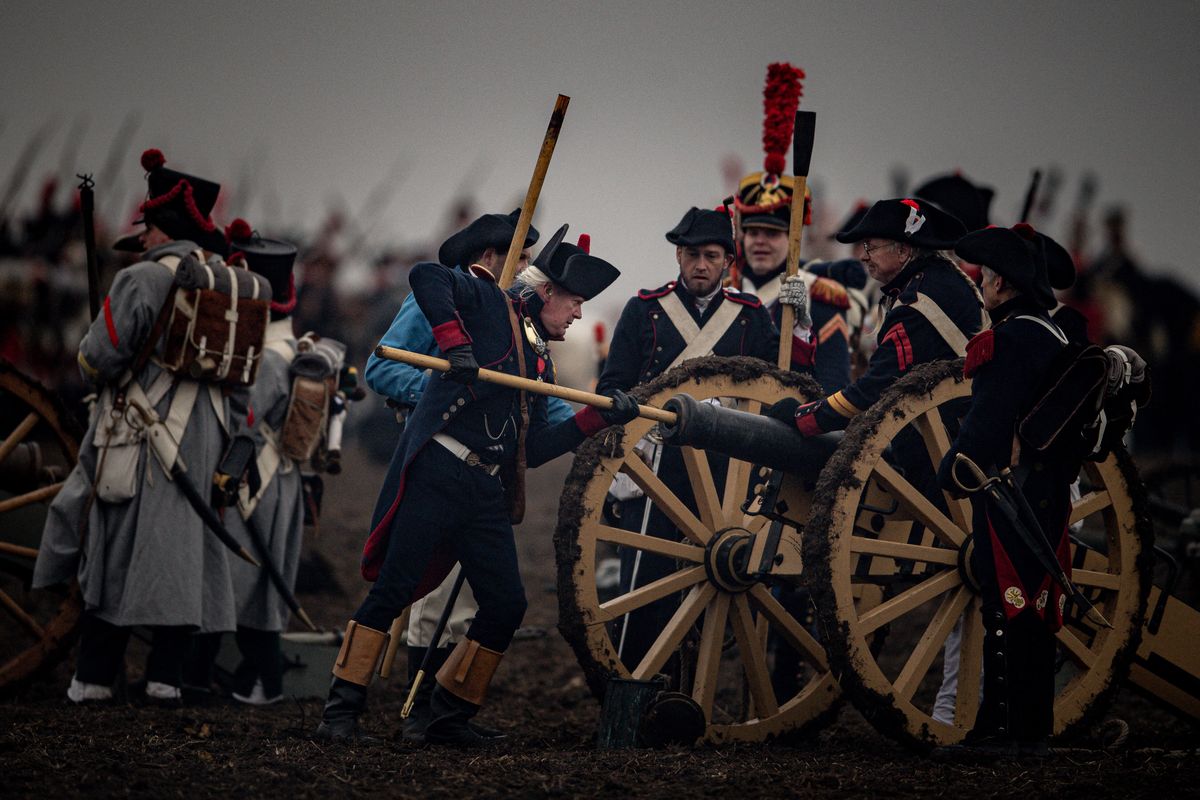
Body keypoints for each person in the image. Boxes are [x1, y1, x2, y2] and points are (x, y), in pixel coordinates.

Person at [315, 225, 636, 745]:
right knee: (393, 591)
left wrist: (599, 417)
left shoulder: (538, 354)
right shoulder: (488, 302)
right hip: (438, 474)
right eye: (575, 302)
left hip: (485, 490)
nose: (579, 315)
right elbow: (428, 275)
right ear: (547, 292)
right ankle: (339, 715)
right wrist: (454, 346)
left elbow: (538, 447)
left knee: (506, 605)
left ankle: (445, 718)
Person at [33, 149, 254, 704]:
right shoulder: (229, 285)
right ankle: (164, 680)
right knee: (185, 560)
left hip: (140, 439)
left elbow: (96, 359)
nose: (145, 234)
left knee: (115, 553)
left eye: (149, 225)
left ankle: (92, 681)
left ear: (162, 229)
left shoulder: (140, 278)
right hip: (204, 441)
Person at [362, 210, 575, 742]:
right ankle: (409, 714)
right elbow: (382, 368)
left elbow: (540, 407)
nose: (525, 271)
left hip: (486, 475)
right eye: (520, 260)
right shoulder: (442, 298)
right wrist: (447, 392)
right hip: (436, 457)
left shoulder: (518, 322)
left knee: (485, 603)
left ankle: (442, 717)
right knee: (425, 598)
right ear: (489, 258)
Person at [596, 206, 777, 668]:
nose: (700, 265)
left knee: (712, 589)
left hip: (725, 471)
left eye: (711, 256)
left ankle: (688, 688)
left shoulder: (752, 317)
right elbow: (612, 385)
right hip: (654, 466)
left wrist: (800, 323)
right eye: (692, 255)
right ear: (678, 256)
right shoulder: (644, 310)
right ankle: (633, 683)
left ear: (727, 262)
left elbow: (779, 388)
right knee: (643, 586)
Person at [935, 224, 1073, 756]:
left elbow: (985, 426)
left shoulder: (1008, 338)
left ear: (1000, 283)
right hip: (1050, 493)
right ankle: (1032, 730)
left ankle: (999, 730)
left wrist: (949, 470)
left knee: (1005, 607)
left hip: (1007, 494)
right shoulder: (1056, 334)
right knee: (1036, 607)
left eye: (984, 278)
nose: (981, 286)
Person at [767, 198, 984, 436]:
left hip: (944, 439)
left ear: (903, 251)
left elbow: (874, 388)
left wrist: (802, 417)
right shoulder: (935, 282)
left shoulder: (916, 305)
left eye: (870, 247)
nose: (863, 256)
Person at [734, 172, 865, 393]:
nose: (760, 242)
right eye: (753, 233)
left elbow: (833, 384)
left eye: (772, 233)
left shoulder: (820, 295)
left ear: (792, 238)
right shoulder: (729, 290)